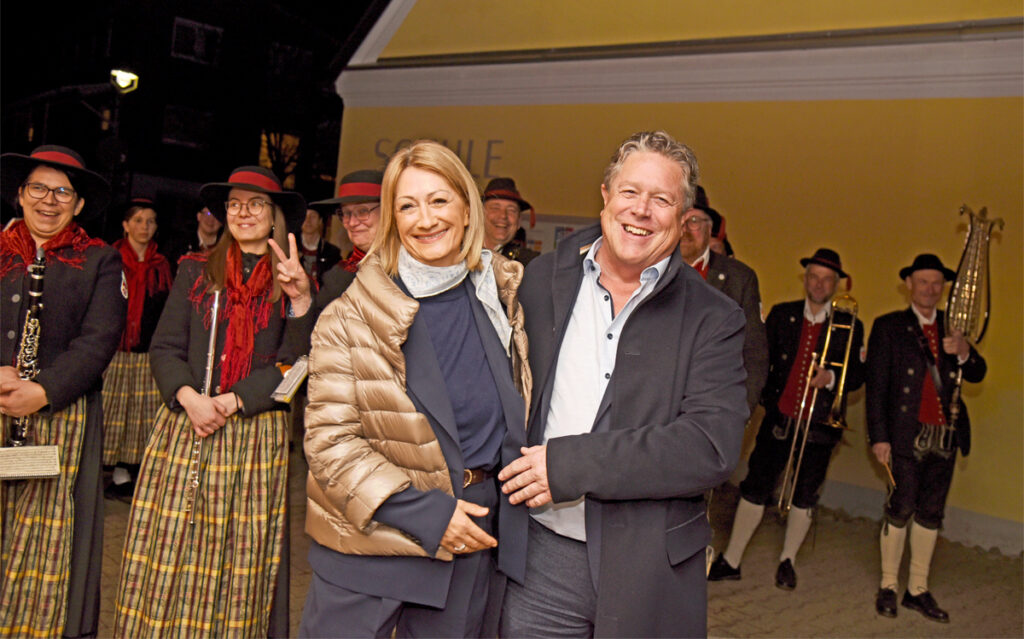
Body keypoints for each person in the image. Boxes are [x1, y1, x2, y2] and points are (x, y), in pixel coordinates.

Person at [499, 130, 748, 637]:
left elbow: (709, 446)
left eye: (662, 200)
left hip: (648, 567)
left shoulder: (714, 317)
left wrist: (570, 464)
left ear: (683, 218)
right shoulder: (540, 280)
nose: (641, 210)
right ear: (605, 196)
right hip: (540, 561)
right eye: (630, 191)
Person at [298, 140, 531, 638]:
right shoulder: (351, 316)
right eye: (407, 206)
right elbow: (330, 443)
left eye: (439, 200)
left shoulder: (501, 297)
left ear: (467, 210)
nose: (425, 219)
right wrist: (428, 514)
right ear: (392, 219)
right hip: (373, 547)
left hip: (469, 540)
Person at [113, 166, 307, 637]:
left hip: (253, 431)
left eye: (255, 204)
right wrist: (189, 397)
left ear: (275, 215)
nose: (243, 212)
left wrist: (300, 301)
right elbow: (164, 347)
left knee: (237, 552)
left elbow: (298, 362)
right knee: (168, 543)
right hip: (187, 421)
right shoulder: (195, 271)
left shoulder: (294, 281)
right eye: (234, 204)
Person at [0, 144, 125, 638]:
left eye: (62, 192)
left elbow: (99, 340)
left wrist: (44, 390)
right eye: (38, 188)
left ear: (78, 204)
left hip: (59, 418)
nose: (48, 201)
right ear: (20, 194)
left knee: (44, 533)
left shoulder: (99, 260)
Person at [708, 248, 865, 590]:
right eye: (814, 277)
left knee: (805, 494)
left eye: (827, 279)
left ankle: (788, 560)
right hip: (780, 417)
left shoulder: (850, 325)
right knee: (755, 486)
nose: (819, 284)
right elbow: (760, 359)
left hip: (819, 425)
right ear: (805, 279)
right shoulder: (783, 314)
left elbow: (856, 375)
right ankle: (731, 559)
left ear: (836, 284)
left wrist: (831, 378)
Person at [867, 253, 986, 623]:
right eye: (923, 282)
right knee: (901, 507)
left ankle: (917, 589)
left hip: (945, 436)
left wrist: (964, 352)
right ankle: (888, 584)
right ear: (909, 284)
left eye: (936, 283)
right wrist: (879, 437)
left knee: (932, 513)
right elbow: (876, 388)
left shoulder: (954, 328)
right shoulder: (888, 326)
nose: (930, 290)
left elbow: (978, 372)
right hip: (905, 435)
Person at [102, 198, 173, 501]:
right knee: (110, 412)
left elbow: (166, 309)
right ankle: (95, 471)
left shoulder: (162, 265)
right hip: (114, 351)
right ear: (126, 225)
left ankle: (124, 473)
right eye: (139, 220)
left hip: (146, 352)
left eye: (151, 221)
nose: (145, 227)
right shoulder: (110, 259)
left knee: (139, 416)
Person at [679, 202, 767, 414]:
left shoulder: (739, 278)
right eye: (679, 220)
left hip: (711, 411)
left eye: (694, 221)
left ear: (709, 229)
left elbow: (754, 354)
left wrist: (739, 414)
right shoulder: (645, 269)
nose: (685, 229)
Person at [310, 169, 384, 273]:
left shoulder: (406, 268)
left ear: (387, 213)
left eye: (362, 211)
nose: (352, 223)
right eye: (346, 213)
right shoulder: (340, 275)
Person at [481, 177, 539, 265]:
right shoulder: (460, 255)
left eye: (511, 210)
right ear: (479, 215)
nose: (503, 215)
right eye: (495, 208)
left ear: (519, 222)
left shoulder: (531, 264)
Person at [164, 204, 223, 269]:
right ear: (199, 216)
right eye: (207, 214)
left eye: (216, 216)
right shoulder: (179, 243)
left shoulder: (225, 248)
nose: (211, 219)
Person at [298, 206, 341, 287]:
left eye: (313, 216)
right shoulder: (291, 247)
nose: (308, 220)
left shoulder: (332, 252)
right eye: (304, 216)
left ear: (320, 220)